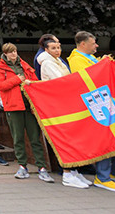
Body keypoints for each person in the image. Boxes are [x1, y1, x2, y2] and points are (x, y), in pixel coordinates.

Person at [68, 31, 115, 192]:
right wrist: (104, 65)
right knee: (106, 138)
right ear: (83, 44)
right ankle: (103, 176)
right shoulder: (77, 60)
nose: (97, 46)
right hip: (97, 105)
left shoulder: (88, 58)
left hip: (108, 101)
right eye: (93, 43)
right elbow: (88, 78)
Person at [0, 43, 54, 183]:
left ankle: (42, 168)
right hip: (14, 107)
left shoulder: (24, 64)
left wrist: (29, 82)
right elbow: (0, 86)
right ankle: (22, 166)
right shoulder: (0, 68)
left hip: (29, 106)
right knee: (18, 138)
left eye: (15, 51)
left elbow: (35, 82)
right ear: (5, 54)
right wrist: (17, 80)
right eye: (10, 52)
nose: (14, 54)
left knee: (35, 138)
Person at [35, 37, 89, 188]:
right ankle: (67, 173)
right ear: (46, 50)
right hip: (59, 104)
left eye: (58, 47)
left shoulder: (58, 61)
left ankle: (74, 171)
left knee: (74, 137)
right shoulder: (47, 63)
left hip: (67, 102)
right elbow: (62, 81)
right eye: (53, 48)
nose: (57, 50)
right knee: (67, 138)